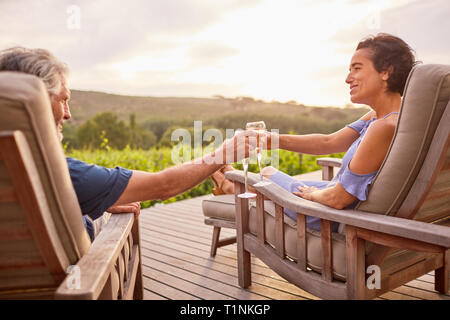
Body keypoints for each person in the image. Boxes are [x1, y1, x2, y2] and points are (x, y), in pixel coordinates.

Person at [0, 46, 256, 241]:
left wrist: (89, 201)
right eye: (62, 100)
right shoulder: (59, 174)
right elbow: (164, 185)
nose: (67, 114)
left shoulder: (25, 174)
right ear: (35, 102)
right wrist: (224, 153)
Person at [210, 33, 418, 232]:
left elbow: (338, 199)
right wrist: (271, 140)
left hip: (330, 215)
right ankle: (229, 184)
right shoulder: (384, 116)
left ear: (386, 71)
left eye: (356, 68)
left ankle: (228, 187)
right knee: (268, 175)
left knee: (265, 176)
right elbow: (329, 142)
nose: (348, 78)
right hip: (337, 197)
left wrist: (313, 194)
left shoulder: (382, 127)